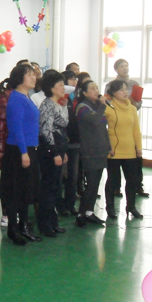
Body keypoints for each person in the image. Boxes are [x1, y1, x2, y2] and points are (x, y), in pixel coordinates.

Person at [0, 64, 42, 245]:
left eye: (34, 74)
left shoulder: (26, 97)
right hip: (18, 150)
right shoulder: (16, 98)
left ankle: (24, 225)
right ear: (19, 78)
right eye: (29, 74)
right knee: (15, 191)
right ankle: (13, 228)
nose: (33, 77)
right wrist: (24, 152)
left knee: (26, 190)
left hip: (29, 148)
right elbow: (16, 128)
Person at [105, 59, 149, 198]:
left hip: (129, 118)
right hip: (117, 127)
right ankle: (116, 189)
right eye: (122, 66)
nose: (125, 68)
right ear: (116, 69)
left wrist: (134, 102)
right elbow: (107, 102)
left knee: (135, 165)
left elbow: (139, 103)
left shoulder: (134, 83)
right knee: (114, 170)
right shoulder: (110, 85)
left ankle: (138, 187)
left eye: (126, 66)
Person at [104, 80, 144, 220]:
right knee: (113, 181)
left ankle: (131, 207)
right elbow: (102, 129)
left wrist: (139, 148)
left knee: (132, 180)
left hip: (130, 150)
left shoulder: (132, 109)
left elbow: (136, 130)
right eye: (121, 90)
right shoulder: (108, 108)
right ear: (113, 93)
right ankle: (110, 207)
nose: (125, 92)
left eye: (126, 89)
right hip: (113, 151)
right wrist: (107, 147)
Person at [75, 80, 112, 226]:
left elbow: (103, 128)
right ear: (84, 93)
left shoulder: (97, 107)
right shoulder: (82, 107)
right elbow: (95, 121)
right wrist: (103, 105)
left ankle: (89, 212)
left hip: (101, 150)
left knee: (96, 184)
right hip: (89, 151)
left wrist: (109, 146)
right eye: (92, 89)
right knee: (90, 184)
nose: (96, 91)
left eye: (97, 88)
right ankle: (81, 213)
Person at [37, 71, 68, 237]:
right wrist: (55, 152)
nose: (64, 88)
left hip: (59, 149)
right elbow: (45, 131)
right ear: (51, 88)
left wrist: (63, 152)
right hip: (49, 151)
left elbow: (63, 126)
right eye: (60, 85)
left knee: (56, 187)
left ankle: (53, 221)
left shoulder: (59, 104)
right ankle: (44, 224)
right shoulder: (47, 105)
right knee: (47, 187)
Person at [60, 70, 80, 216]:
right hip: (63, 141)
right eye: (71, 79)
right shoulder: (61, 98)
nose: (75, 81)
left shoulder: (75, 97)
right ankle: (60, 206)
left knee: (73, 176)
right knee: (60, 176)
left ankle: (70, 204)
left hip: (75, 141)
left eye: (75, 79)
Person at [0, 76, 13, 227]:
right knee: (7, 181)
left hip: (19, 144)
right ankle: (6, 214)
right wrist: (0, 148)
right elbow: (2, 124)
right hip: (8, 144)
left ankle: (15, 212)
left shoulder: (23, 96)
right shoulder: (5, 97)